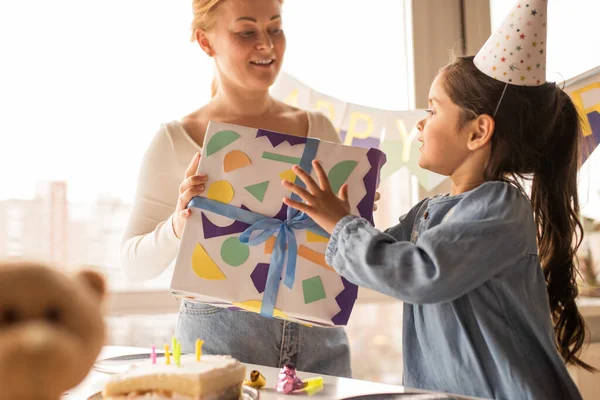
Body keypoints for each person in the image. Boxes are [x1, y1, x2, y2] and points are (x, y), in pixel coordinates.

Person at [280, 1, 595, 398]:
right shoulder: (429, 211)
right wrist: (343, 216)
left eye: (433, 109)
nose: (420, 122)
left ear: (478, 132)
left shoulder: (499, 208)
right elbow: (381, 263)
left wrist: (344, 224)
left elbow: (418, 272)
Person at [120, 0, 355, 377]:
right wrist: (179, 225)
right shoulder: (176, 140)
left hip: (321, 345)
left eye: (275, 28)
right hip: (218, 351)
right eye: (246, 31)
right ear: (205, 41)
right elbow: (132, 264)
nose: (266, 44)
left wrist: (352, 218)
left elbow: (346, 254)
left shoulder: (318, 129)